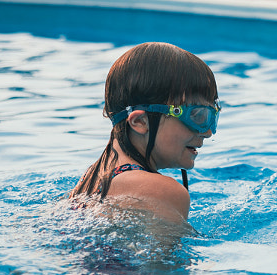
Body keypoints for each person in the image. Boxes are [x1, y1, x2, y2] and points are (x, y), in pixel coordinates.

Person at [70, 42, 221, 223]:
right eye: (198, 116)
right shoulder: (164, 192)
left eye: (213, 117)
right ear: (140, 122)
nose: (209, 132)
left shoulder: (92, 178)